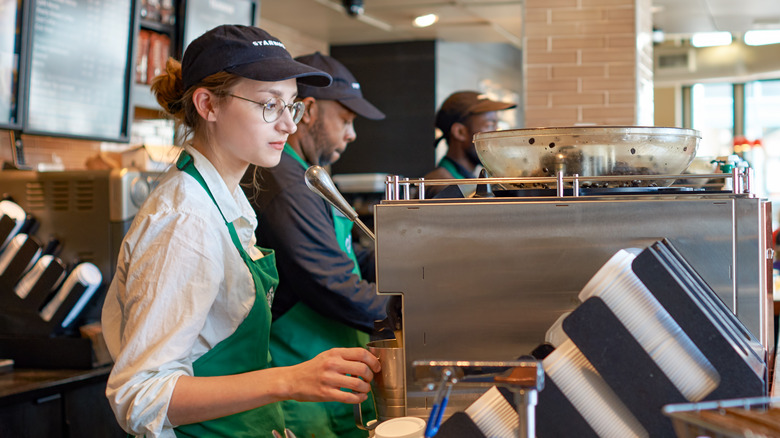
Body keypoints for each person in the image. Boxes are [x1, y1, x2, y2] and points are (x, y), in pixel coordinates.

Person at [101, 26, 381, 438]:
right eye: (270, 106)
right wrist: (290, 380)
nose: (288, 125)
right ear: (207, 105)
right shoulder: (186, 221)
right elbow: (140, 396)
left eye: (292, 107)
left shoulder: (225, 202)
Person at [242, 52, 388, 438]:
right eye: (345, 120)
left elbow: (343, 255)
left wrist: (406, 261)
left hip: (332, 375)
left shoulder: (308, 175)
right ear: (307, 110)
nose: (351, 134)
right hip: (303, 390)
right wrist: (414, 311)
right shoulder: (286, 182)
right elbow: (330, 283)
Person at [424, 91, 516, 198]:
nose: (497, 134)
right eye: (490, 125)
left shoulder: (463, 181)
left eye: (497, 126)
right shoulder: (444, 186)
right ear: (460, 132)